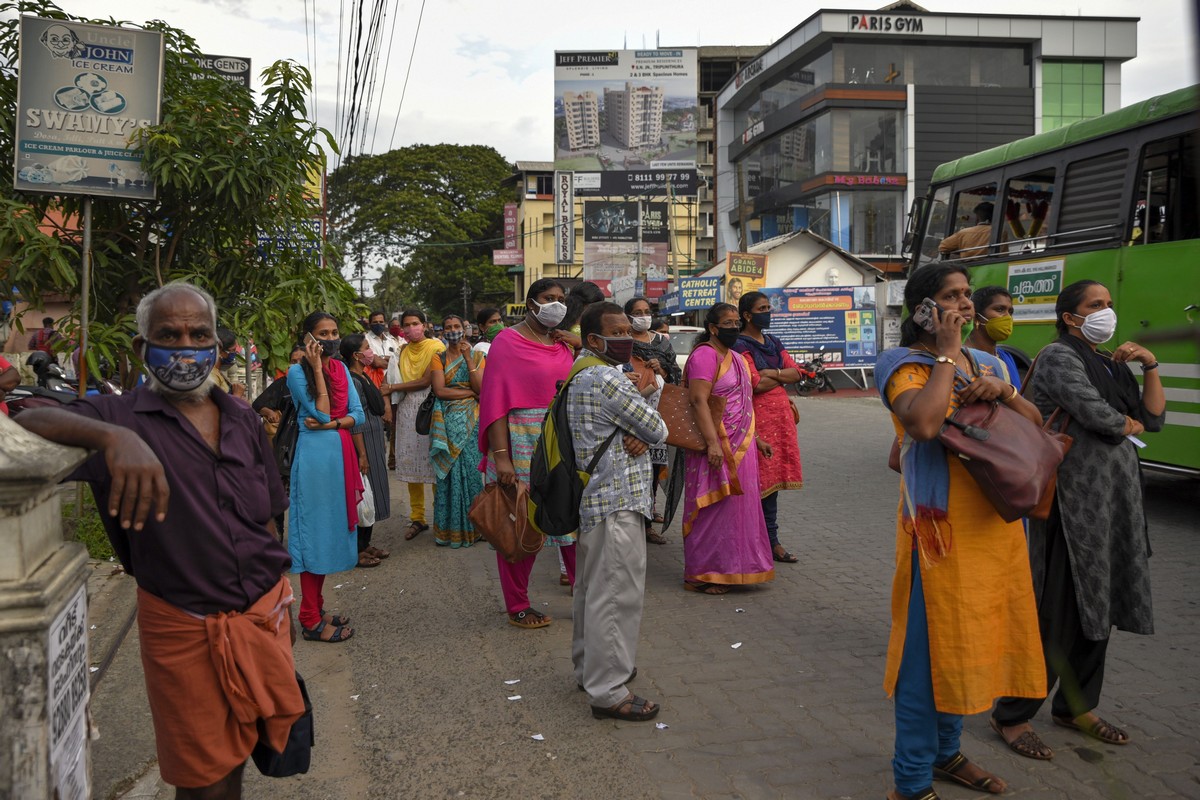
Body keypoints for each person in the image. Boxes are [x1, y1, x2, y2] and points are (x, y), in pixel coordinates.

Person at [14, 283, 303, 798]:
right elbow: (23, 414)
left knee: (242, 760)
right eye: (169, 335)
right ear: (142, 348)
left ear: (218, 346)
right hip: (185, 626)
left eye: (199, 334)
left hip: (263, 615)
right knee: (203, 779)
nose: (186, 347)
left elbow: (266, 520)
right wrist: (114, 439)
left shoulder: (241, 418)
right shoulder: (118, 418)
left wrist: (283, 604)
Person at [874, 263, 1046, 800]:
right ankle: (911, 779)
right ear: (923, 308)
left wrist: (1005, 392)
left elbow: (1036, 425)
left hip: (996, 529)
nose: (965, 304)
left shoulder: (992, 361)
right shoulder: (901, 364)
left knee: (974, 644)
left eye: (968, 294)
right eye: (951, 296)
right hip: (939, 539)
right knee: (929, 658)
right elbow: (922, 425)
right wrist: (948, 354)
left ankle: (947, 752)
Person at [991, 280, 1165, 759]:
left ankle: (1076, 706)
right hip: (1072, 506)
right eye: (1096, 305)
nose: (1106, 312)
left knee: (1100, 608)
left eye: (1109, 305)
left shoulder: (1109, 362)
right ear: (1070, 316)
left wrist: (1149, 364)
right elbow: (1103, 418)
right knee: (1058, 612)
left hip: (1115, 504)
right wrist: (1120, 422)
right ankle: (1013, 713)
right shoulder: (1058, 357)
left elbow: (1152, 419)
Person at [569, 302, 668, 722]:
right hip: (617, 499)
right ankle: (609, 689)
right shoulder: (608, 379)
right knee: (616, 595)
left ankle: (589, 668)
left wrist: (636, 427)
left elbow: (639, 427)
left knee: (592, 592)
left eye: (630, 328)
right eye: (619, 330)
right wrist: (641, 426)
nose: (629, 336)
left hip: (596, 498)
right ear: (595, 339)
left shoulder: (579, 371)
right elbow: (658, 428)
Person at [478, 278, 577, 627]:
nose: (556, 305)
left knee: (570, 522)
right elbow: (494, 401)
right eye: (549, 298)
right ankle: (517, 604)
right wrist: (501, 456)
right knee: (522, 525)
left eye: (561, 299)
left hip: (561, 438)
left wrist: (580, 345)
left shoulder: (564, 342)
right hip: (519, 438)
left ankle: (584, 598)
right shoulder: (507, 341)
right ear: (531, 303)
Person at [680, 303, 776, 595]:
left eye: (737, 322)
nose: (734, 328)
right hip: (715, 443)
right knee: (712, 508)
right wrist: (712, 443)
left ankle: (738, 567)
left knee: (738, 508)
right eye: (728, 323)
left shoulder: (736, 357)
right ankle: (705, 572)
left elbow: (744, 402)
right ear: (712, 328)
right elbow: (698, 401)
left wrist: (756, 438)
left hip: (741, 446)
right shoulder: (704, 356)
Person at [288, 311, 364, 643]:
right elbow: (319, 410)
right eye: (323, 333)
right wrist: (317, 369)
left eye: (335, 332)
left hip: (338, 452)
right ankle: (308, 617)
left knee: (329, 530)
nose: (331, 339)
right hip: (316, 460)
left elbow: (357, 415)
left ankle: (316, 607)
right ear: (308, 338)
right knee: (313, 534)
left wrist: (333, 424)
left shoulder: (343, 369)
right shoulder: (295, 372)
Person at [733, 291, 805, 564]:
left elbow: (797, 372)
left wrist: (770, 373)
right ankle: (758, 540)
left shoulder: (774, 342)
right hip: (757, 420)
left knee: (771, 484)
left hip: (780, 420)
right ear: (747, 315)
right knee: (755, 480)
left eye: (769, 307)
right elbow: (754, 384)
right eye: (763, 308)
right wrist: (778, 376)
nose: (769, 312)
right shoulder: (740, 345)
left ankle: (772, 540)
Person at [626, 296, 680, 544]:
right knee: (631, 469)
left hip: (658, 412)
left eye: (647, 311)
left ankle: (646, 523)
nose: (643, 316)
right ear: (628, 316)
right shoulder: (621, 340)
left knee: (653, 471)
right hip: (629, 413)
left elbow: (676, 377)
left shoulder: (662, 343)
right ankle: (630, 522)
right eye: (637, 312)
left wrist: (662, 369)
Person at [429, 314, 485, 548]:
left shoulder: (479, 356)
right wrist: (470, 394)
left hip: (472, 421)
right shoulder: (438, 357)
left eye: (457, 327)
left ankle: (476, 527)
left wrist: (468, 360)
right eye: (448, 327)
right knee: (449, 474)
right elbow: (440, 391)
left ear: (466, 329)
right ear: (443, 331)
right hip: (447, 421)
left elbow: (482, 388)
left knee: (472, 472)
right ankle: (449, 530)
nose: (453, 330)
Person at [391, 309, 445, 540]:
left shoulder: (436, 347)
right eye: (407, 324)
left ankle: (440, 517)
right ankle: (418, 518)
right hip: (406, 409)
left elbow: (426, 380)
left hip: (429, 406)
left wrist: (392, 389)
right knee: (412, 463)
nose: (411, 328)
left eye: (415, 323)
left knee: (433, 463)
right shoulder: (402, 349)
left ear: (424, 325)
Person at [342, 334, 393, 567]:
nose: (370, 352)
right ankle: (357, 549)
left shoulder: (364, 375)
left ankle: (366, 543)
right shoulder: (352, 380)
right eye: (366, 348)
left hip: (374, 436)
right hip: (364, 440)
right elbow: (356, 420)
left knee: (374, 490)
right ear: (356, 355)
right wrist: (361, 454)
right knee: (365, 493)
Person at [253, 343, 306, 535]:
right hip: (284, 447)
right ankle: (278, 534)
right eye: (293, 361)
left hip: (308, 446)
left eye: (301, 360)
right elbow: (258, 403)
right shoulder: (283, 384)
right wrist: (269, 411)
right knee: (278, 493)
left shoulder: (318, 383)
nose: (297, 365)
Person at [966, 286, 1022, 389]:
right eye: (1000, 310)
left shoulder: (1005, 357)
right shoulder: (963, 356)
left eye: (1010, 312)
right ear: (976, 317)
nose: (1008, 317)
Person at [212, 326, 246, 398]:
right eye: (232, 350)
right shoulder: (211, 377)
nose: (235, 353)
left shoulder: (217, 372)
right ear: (219, 350)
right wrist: (237, 396)